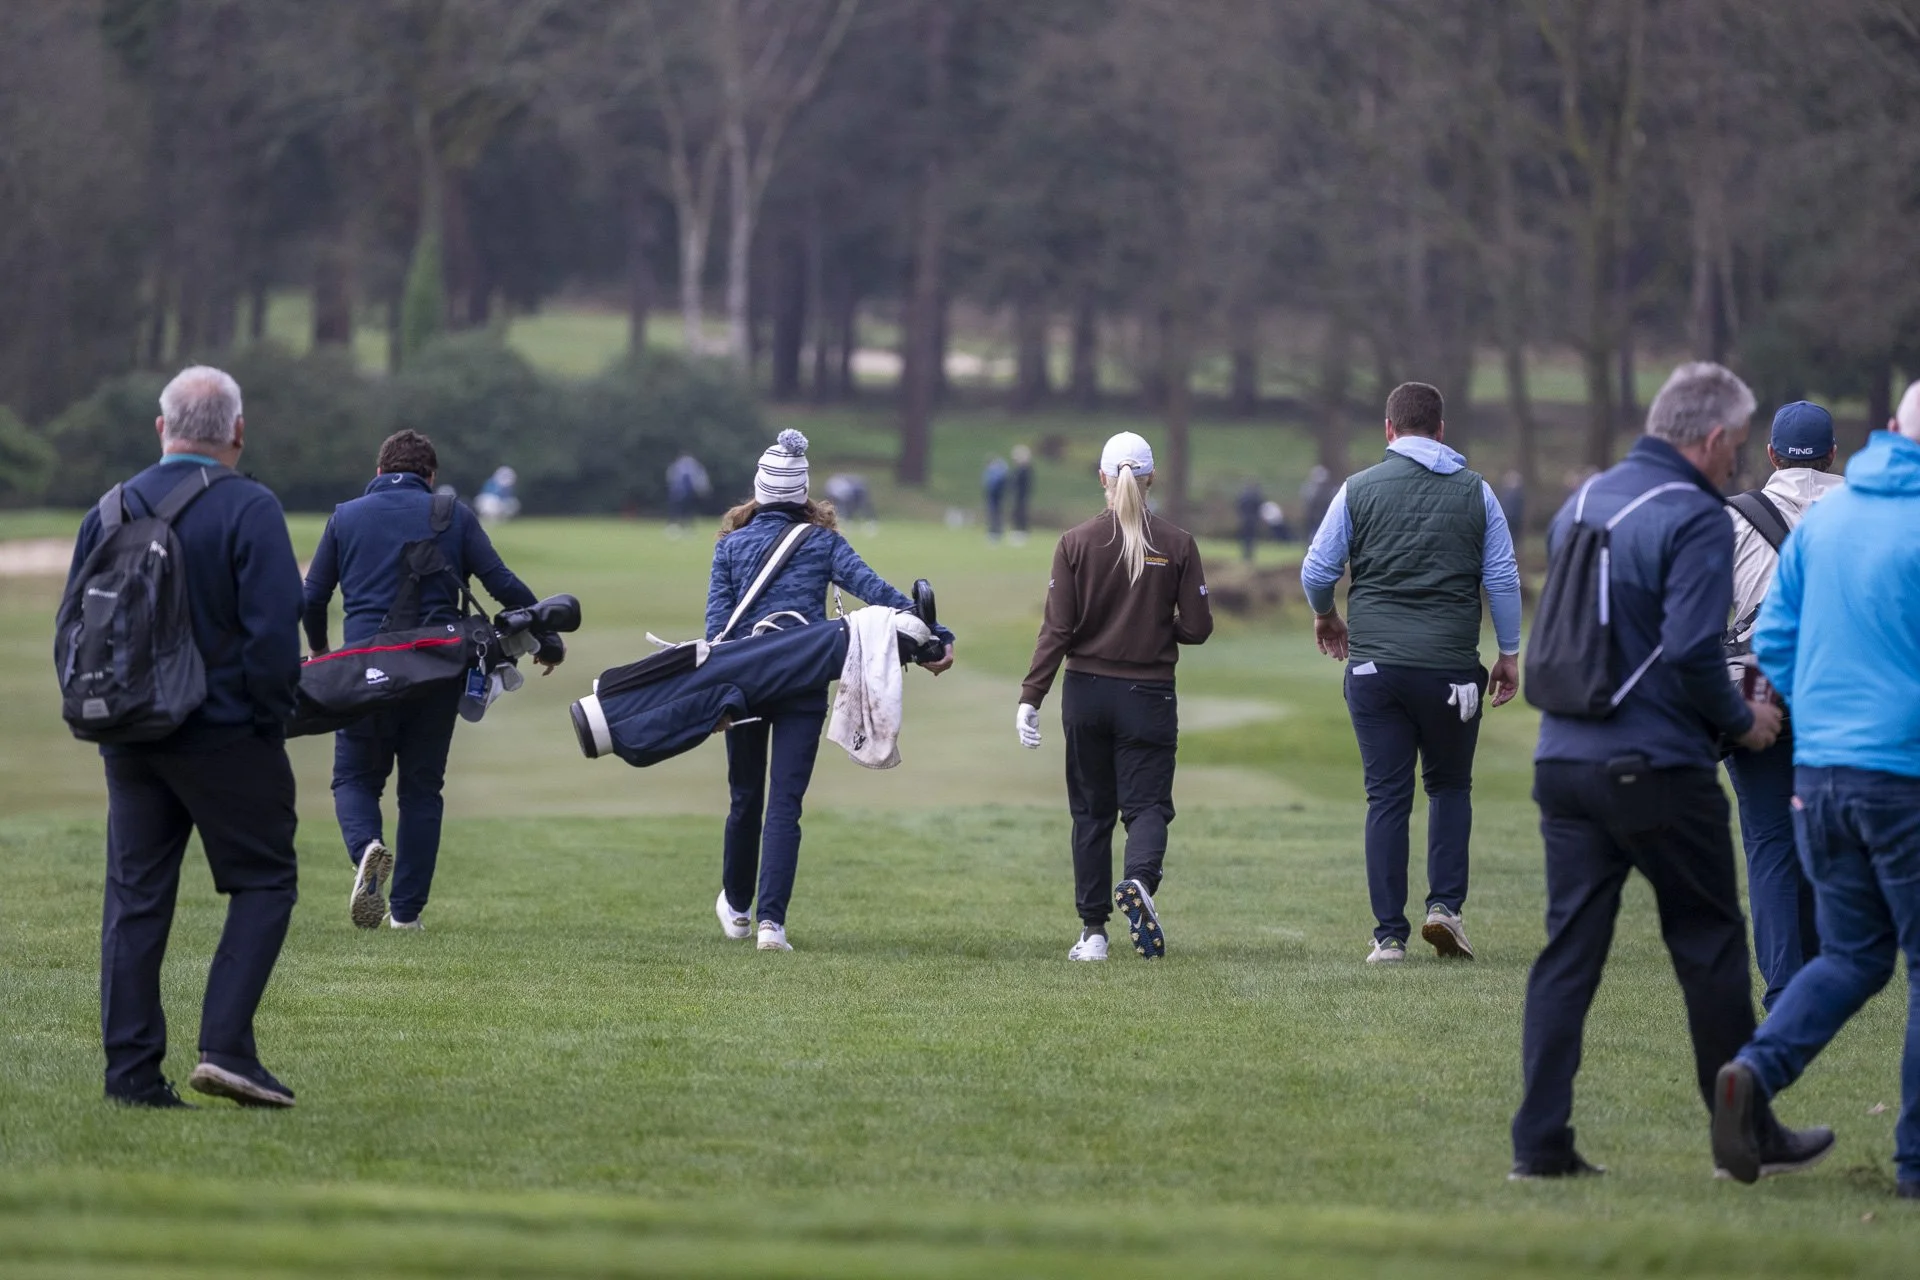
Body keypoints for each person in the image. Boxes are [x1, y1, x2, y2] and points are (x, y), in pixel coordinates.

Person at [1510, 361, 1804, 1180]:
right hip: (1656, 763)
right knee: (1710, 945)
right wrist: (1744, 722)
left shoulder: (1584, 500)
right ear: (1711, 440)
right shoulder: (1696, 516)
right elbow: (1689, 651)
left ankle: (1539, 1145)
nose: (1737, 466)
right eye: (1738, 450)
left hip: (1563, 757)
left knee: (1568, 954)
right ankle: (1745, 1138)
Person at [64, 366, 304, 1109]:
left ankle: (130, 1075)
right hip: (224, 730)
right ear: (237, 431)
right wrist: (272, 722)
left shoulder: (108, 509)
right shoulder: (250, 506)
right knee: (264, 880)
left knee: (136, 899)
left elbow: (76, 627)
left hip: (129, 733)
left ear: (162, 428)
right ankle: (226, 1049)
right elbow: (273, 636)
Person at [1710, 383, 1920, 1198]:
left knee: (1857, 953)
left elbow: (1782, 641)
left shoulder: (1828, 525)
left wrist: (1823, 727)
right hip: (1902, 770)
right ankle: (1913, 1166)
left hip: (1822, 767)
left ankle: (1756, 1070)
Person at [708, 429, 955, 952]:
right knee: (785, 804)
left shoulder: (729, 546)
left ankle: (736, 905)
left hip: (743, 685)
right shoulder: (822, 543)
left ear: (759, 489)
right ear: (801, 493)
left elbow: (715, 633)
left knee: (744, 798)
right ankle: (771, 924)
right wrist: (939, 639)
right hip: (802, 684)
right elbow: (883, 597)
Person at [1301, 382, 1522, 964]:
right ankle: (1445, 908)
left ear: (1389, 430)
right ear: (1442, 429)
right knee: (1449, 787)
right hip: (1452, 671)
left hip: (1376, 670)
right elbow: (1500, 579)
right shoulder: (1479, 494)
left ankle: (1388, 937)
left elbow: (1317, 569)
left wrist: (1327, 616)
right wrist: (1509, 652)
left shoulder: (1357, 489)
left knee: (1387, 797)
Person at [303, 430, 545, 932]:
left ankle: (367, 847)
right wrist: (545, 633)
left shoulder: (345, 516)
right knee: (420, 791)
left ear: (378, 473)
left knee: (354, 778)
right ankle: (406, 915)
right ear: (429, 477)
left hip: (364, 672)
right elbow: (503, 585)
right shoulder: (452, 513)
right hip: (436, 673)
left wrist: (323, 652)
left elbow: (311, 599)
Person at [1017, 432, 1213, 962]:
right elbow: (1197, 628)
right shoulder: (1178, 543)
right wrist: (1156, 624)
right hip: (1148, 696)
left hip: (1085, 695)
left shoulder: (1075, 543)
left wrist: (1031, 695)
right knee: (1147, 806)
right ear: (1151, 478)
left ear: (1103, 478)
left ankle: (1094, 934)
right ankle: (1140, 883)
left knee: (1091, 814)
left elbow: (1056, 630)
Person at [1723, 401, 1843, 1009]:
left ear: (1771, 455)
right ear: (1833, 454)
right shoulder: (1866, 512)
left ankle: (1783, 987)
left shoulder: (1735, 519)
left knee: (1768, 836)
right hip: (1838, 681)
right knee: (1825, 829)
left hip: (1756, 681)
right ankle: (1825, 974)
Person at [665, 451, 712, 532]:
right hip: (678, 492)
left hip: (688, 493)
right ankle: (674, 525)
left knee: (687, 511)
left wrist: (701, 489)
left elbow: (700, 478)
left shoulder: (693, 467)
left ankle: (687, 527)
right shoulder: (679, 466)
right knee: (677, 510)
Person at [1010, 445, 1035, 543]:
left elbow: (1024, 484)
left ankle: (1022, 533)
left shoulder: (1025, 470)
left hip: (1022, 495)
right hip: (1018, 495)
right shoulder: (1019, 469)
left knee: (1022, 513)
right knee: (1017, 513)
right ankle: (1018, 531)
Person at [984, 456, 1011, 541]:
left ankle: (996, 533)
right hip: (992, 497)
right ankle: (994, 532)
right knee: (993, 515)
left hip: (996, 497)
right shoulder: (993, 472)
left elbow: (996, 486)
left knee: (996, 515)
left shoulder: (997, 473)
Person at [1237, 482, 1264, 563]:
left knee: (1245, 538)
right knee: (1251, 538)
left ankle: (1245, 555)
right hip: (1253, 520)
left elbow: (1238, 505)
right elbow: (1260, 506)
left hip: (1244, 519)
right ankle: (1249, 555)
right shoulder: (1256, 497)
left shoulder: (1243, 496)